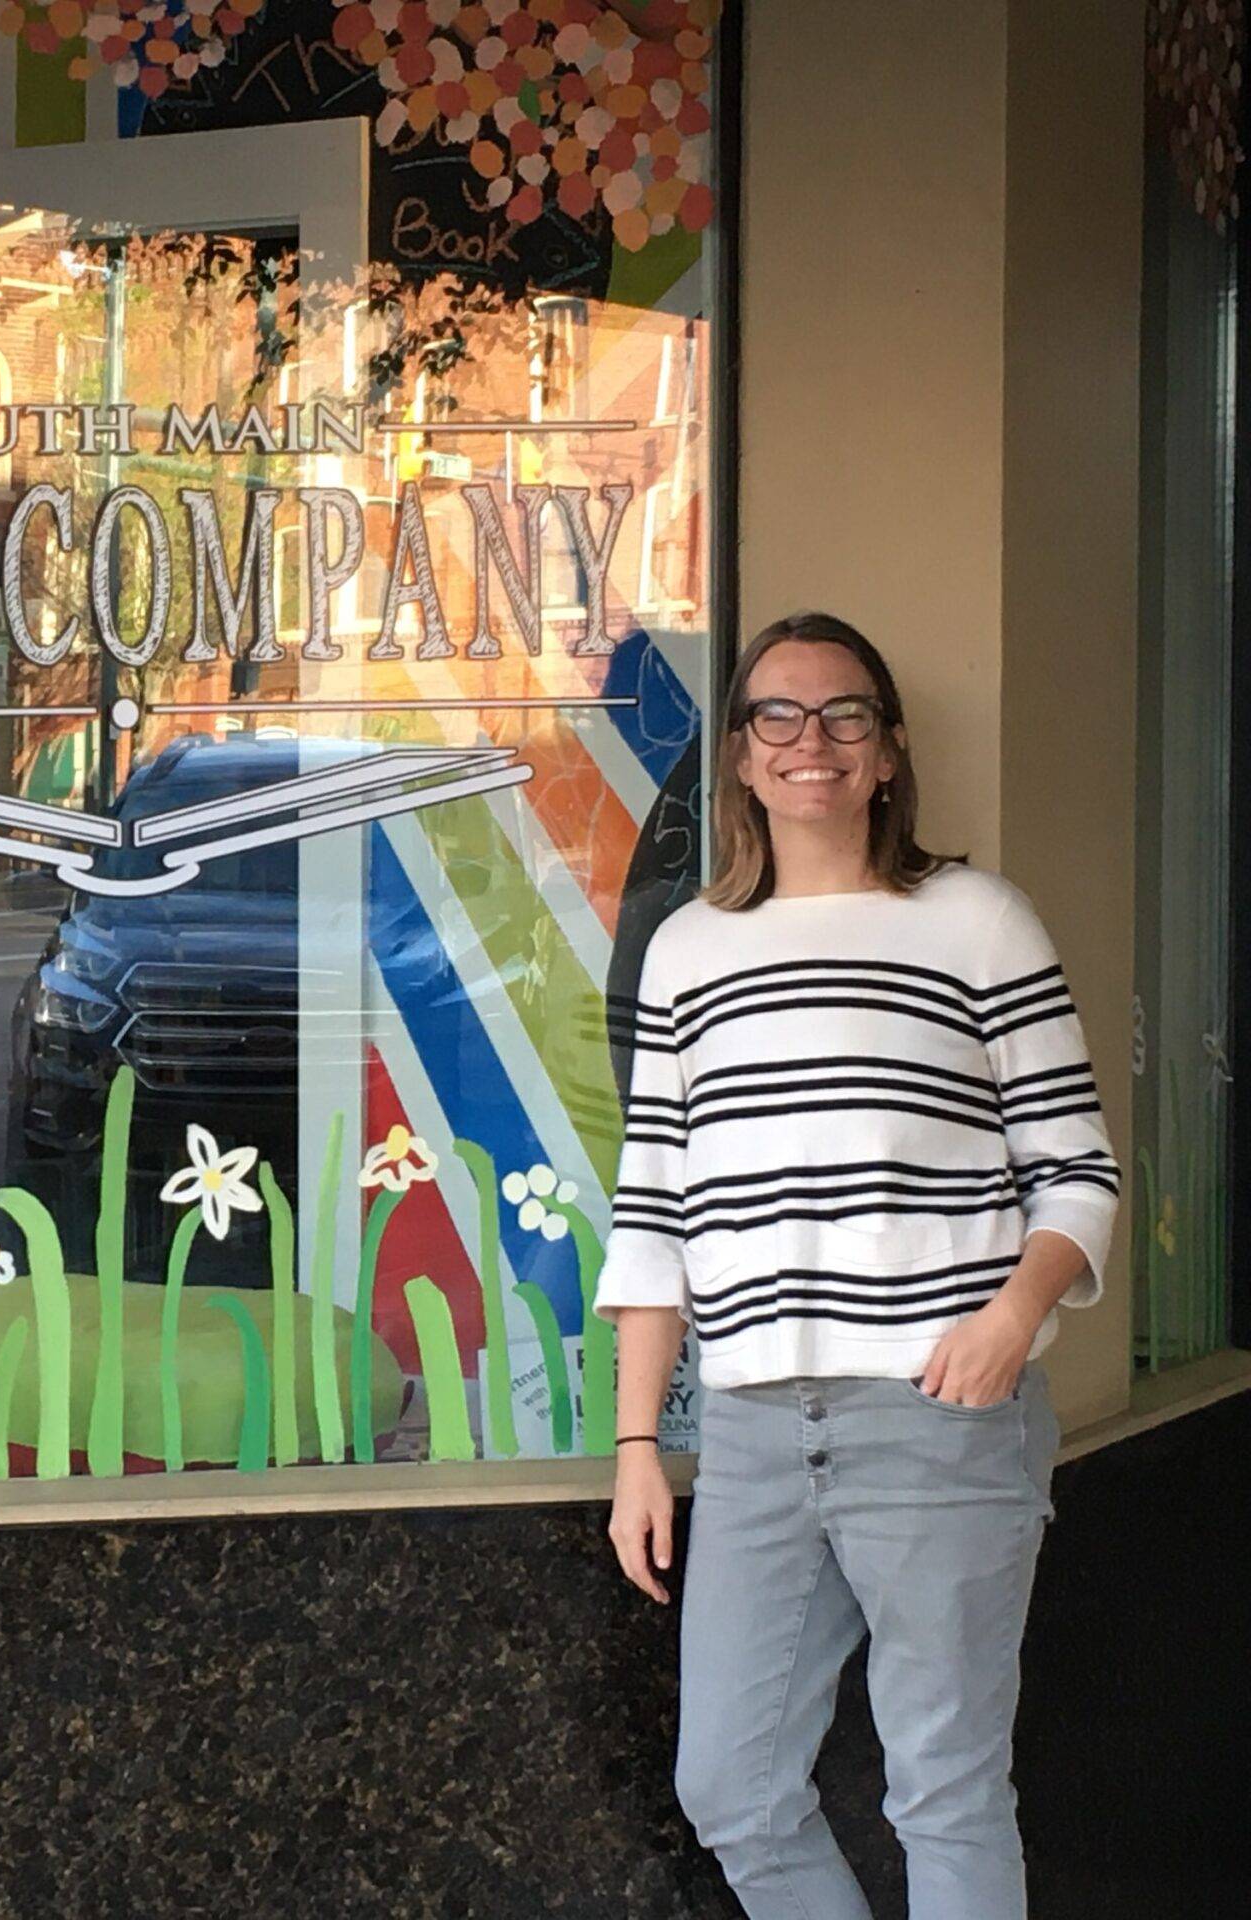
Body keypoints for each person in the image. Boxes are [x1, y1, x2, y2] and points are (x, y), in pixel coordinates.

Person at [598, 612, 1118, 1919]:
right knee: (729, 1784)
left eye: (844, 717)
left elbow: (1079, 1170)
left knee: (943, 1787)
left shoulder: (975, 921)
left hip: (939, 1425)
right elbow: (655, 1212)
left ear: (888, 753)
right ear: (739, 755)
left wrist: (1011, 1317)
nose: (810, 742)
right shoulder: (689, 952)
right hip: (760, 1431)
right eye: (778, 715)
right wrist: (636, 1449)